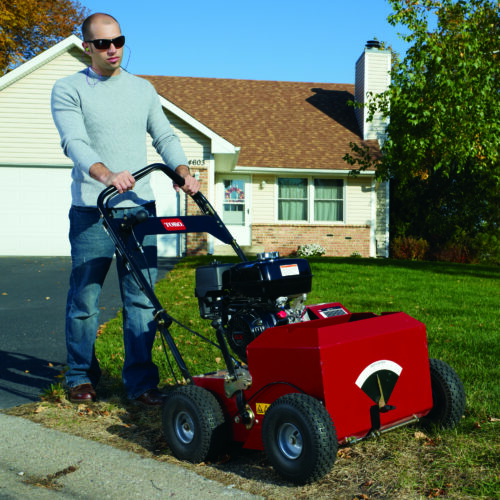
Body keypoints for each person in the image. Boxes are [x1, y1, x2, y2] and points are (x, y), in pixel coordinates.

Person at [51, 12, 200, 406]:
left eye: (118, 41)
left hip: (139, 210)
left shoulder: (142, 89)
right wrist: (106, 174)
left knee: (141, 300)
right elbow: (75, 142)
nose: (113, 49)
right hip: (93, 210)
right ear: (87, 48)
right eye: (103, 44)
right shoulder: (69, 89)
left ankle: (141, 383)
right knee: (85, 299)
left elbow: (164, 134)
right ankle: (81, 376)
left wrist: (181, 171)